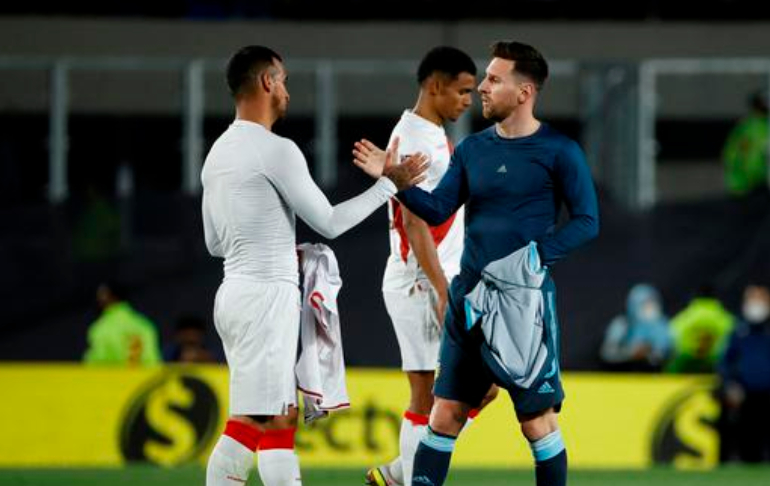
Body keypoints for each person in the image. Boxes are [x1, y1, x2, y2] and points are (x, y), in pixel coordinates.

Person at [355, 40, 599, 486]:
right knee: (444, 412)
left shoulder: (560, 151)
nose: (482, 88)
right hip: (468, 301)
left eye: (492, 79)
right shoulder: (472, 149)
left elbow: (587, 221)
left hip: (523, 304)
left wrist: (535, 258)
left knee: (536, 423)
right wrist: (396, 183)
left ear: (524, 92)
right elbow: (437, 209)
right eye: (483, 79)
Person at [200, 45, 428, 486]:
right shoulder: (275, 149)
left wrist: (267, 238)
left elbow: (214, 243)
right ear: (267, 81)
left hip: (233, 295)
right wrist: (389, 186)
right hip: (266, 297)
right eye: (282, 79)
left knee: (264, 420)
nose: (286, 90)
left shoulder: (217, 153)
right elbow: (330, 222)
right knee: (263, 422)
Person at [354, 46, 498, 486]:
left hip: (438, 277)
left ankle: (403, 473)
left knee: (482, 386)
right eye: (462, 91)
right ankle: (412, 478)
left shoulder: (427, 131)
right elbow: (415, 224)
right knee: (426, 392)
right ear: (435, 86)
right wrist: (441, 291)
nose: (468, 101)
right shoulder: (416, 139)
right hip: (420, 281)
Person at [716, 282, 770, 463]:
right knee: (747, 439)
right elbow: (724, 362)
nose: (756, 304)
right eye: (752, 299)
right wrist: (730, 384)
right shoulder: (738, 331)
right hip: (745, 395)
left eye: (760, 299)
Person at [83, 280, 162, 366]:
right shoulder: (144, 325)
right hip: (146, 379)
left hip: (116, 379)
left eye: (101, 295)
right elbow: (153, 362)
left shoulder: (102, 328)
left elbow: (96, 365)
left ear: (111, 297)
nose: (97, 299)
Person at [599, 283, 673, 372]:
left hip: (656, 379)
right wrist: (631, 353)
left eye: (652, 304)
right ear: (634, 305)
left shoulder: (663, 326)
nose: (650, 309)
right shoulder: (623, 325)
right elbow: (607, 354)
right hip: (623, 377)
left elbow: (672, 353)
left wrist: (654, 353)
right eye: (645, 305)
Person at [665, 283, 735, 374]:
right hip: (715, 365)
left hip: (687, 364)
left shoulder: (684, 318)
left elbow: (671, 335)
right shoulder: (727, 320)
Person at [721, 89, 769, 197]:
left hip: (761, 184)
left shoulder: (758, 126)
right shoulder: (747, 128)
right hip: (747, 186)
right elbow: (733, 155)